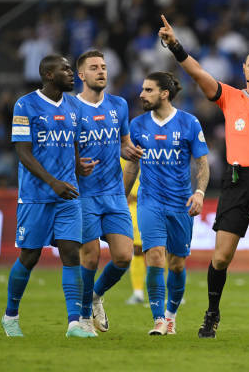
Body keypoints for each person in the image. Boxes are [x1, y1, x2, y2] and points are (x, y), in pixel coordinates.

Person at [158, 1, 249, 339]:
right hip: (236, 180)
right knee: (221, 256)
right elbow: (196, 72)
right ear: (243, 69)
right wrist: (175, 44)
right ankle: (212, 314)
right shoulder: (228, 96)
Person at [1, 54, 97, 338]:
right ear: (48, 75)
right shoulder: (25, 104)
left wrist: (78, 166)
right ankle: (10, 316)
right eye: (66, 69)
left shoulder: (73, 106)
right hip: (36, 196)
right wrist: (53, 182)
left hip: (68, 195)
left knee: (70, 254)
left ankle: (74, 324)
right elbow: (23, 152)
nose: (72, 74)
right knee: (30, 256)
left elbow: (74, 143)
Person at [124, 71, 209, 335]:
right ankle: (158, 318)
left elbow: (202, 164)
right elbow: (131, 167)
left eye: (148, 90)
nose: (141, 94)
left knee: (177, 264)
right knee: (155, 257)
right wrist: (119, 198)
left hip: (180, 204)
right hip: (150, 202)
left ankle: (171, 315)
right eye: (142, 89)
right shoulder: (136, 126)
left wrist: (199, 193)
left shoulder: (189, 123)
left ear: (164, 93)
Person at [74, 50, 143, 335]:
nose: (101, 71)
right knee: (90, 257)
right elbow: (61, 149)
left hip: (114, 194)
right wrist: (75, 165)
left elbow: (124, 143)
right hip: (84, 194)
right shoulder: (70, 108)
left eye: (103, 67)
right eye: (94, 67)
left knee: (124, 257)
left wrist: (131, 151)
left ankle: (95, 296)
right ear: (82, 75)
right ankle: (82, 318)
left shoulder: (119, 105)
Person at [120, 156, 147, 305]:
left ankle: (171, 292)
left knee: (163, 248)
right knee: (136, 249)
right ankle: (138, 293)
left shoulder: (154, 145)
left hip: (154, 201)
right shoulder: (124, 152)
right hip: (133, 204)